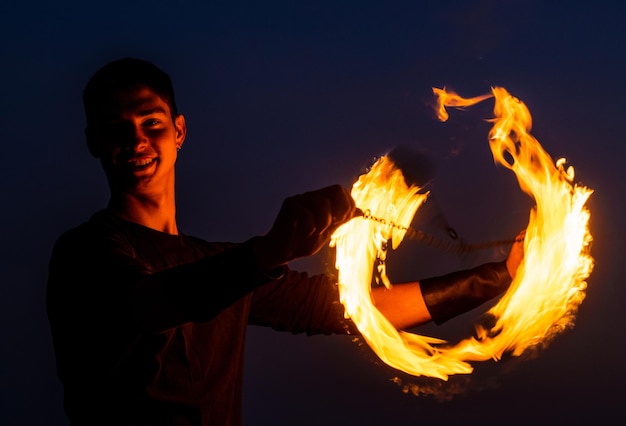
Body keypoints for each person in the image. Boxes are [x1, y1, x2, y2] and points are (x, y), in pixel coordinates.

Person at [46, 57, 525, 426]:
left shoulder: (219, 266)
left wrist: (500, 274)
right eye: (117, 130)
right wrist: (269, 251)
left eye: (151, 123)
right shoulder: (84, 253)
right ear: (94, 142)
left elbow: (355, 308)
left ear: (179, 131)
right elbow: (149, 307)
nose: (137, 142)